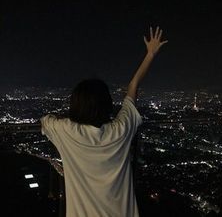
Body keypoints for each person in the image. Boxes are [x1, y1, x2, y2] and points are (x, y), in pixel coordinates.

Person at [41, 26, 168, 217]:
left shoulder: (65, 130)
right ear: (107, 105)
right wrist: (150, 54)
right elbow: (133, 86)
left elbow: (45, 121)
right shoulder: (121, 130)